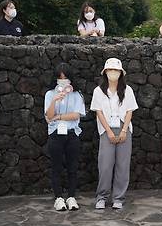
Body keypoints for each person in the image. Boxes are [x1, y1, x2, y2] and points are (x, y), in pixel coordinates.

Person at [91, 58, 139, 210]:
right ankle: (102, 197)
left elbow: (130, 110)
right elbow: (98, 112)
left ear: (121, 73)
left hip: (124, 128)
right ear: (105, 72)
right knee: (105, 165)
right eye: (110, 70)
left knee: (122, 165)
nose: (113, 73)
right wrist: (109, 132)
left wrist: (124, 130)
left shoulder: (128, 90)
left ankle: (118, 197)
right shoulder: (98, 91)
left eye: (116, 70)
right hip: (106, 130)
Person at [44, 63, 86, 211]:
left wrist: (59, 116)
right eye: (60, 79)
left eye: (65, 78)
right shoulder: (50, 94)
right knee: (56, 167)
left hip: (72, 133)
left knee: (72, 167)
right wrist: (55, 100)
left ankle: (71, 196)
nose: (63, 81)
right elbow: (48, 116)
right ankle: (58, 197)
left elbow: (76, 115)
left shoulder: (77, 95)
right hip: (55, 134)